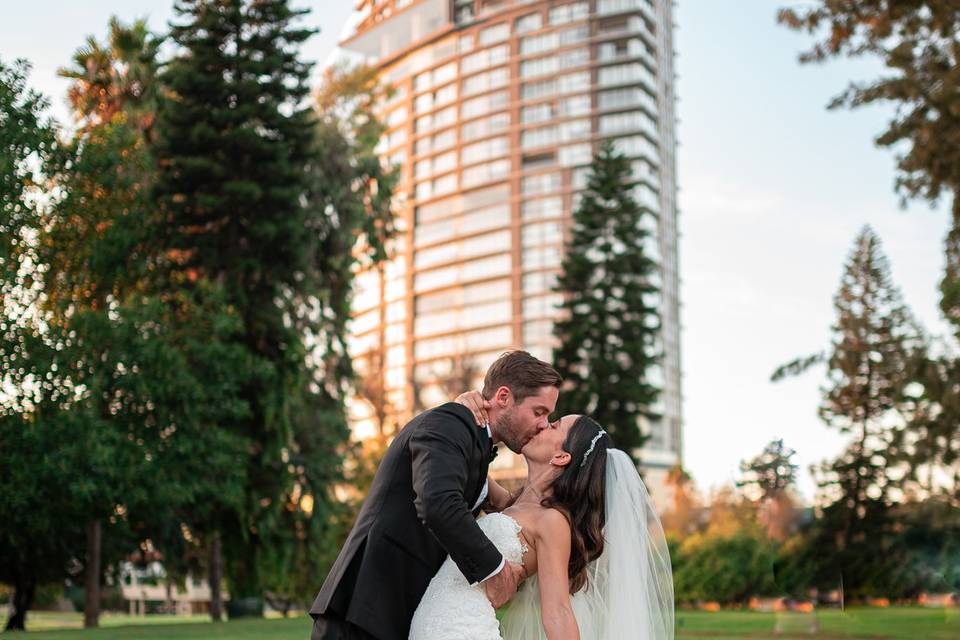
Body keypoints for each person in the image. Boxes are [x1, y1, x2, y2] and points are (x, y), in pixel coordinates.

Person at [309, 351, 563, 640]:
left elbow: (509, 508)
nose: (543, 423)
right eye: (539, 412)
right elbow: (437, 502)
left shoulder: (474, 442)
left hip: (395, 610)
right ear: (503, 397)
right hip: (365, 608)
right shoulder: (450, 424)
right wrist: (495, 569)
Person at [409, 402, 674, 640]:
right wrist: (467, 407)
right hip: (433, 624)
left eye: (554, 425)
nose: (543, 424)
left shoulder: (553, 521)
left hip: (463, 630)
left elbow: (558, 611)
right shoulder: (513, 503)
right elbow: (458, 465)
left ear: (561, 457)